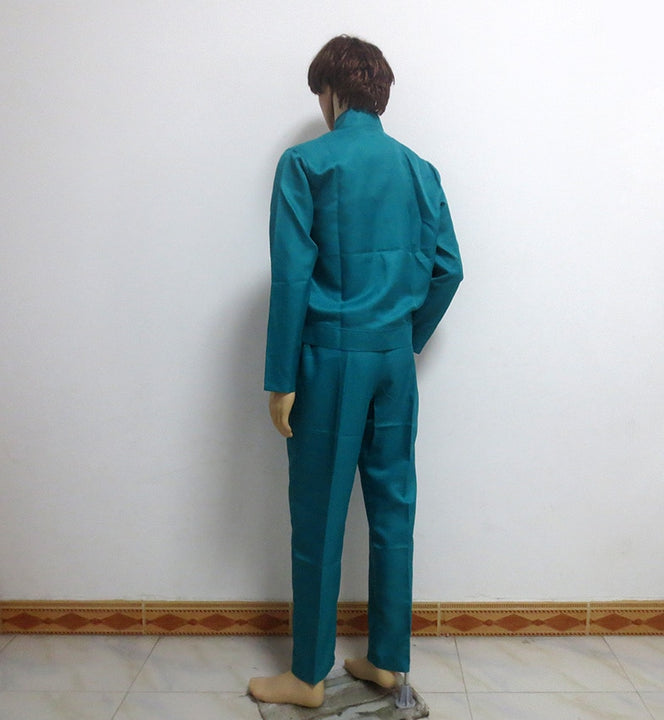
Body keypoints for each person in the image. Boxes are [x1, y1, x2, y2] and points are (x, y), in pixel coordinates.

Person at [249, 35, 463, 708]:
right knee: (394, 510)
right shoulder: (420, 170)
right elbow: (449, 269)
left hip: (330, 360)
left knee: (318, 514)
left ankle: (308, 674)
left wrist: (280, 378)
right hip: (393, 363)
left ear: (332, 93)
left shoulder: (305, 163)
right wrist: (405, 337)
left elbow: (292, 278)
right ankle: (388, 662)